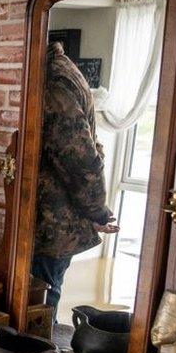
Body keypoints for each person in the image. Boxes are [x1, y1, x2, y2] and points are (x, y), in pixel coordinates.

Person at [33, 41, 118, 315]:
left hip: (51, 222)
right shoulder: (52, 71)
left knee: (40, 308)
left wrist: (96, 211)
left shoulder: (55, 81)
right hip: (46, 220)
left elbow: (80, 160)